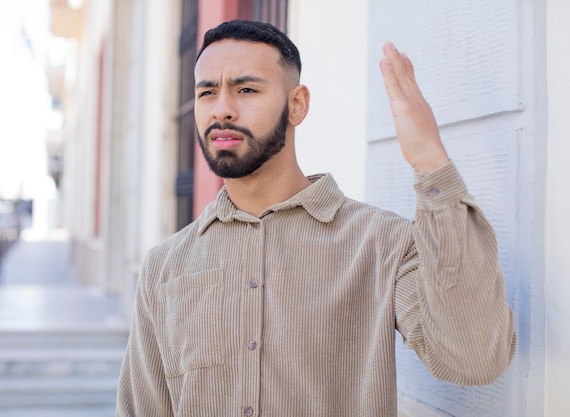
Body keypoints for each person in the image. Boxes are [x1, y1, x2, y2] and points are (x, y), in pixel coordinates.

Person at [116, 20, 516, 417]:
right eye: (207, 93)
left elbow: (474, 360)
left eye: (247, 89)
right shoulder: (164, 266)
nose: (222, 109)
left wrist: (430, 162)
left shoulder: (383, 243)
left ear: (297, 104)